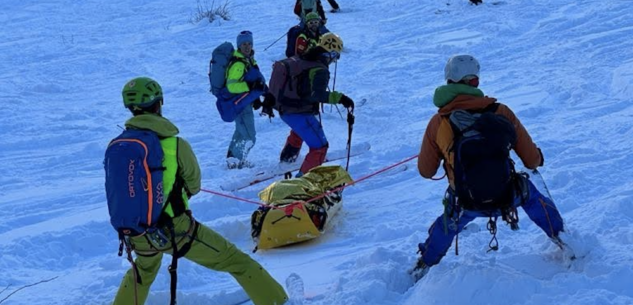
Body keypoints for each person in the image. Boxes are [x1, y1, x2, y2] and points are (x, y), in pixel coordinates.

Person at [113, 77, 288, 305]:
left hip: (136, 233)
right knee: (237, 262)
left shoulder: (119, 144)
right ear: (159, 104)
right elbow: (194, 185)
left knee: (141, 274)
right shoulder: (175, 145)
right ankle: (279, 302)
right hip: (174, 229)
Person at [413, 55, 571, 280]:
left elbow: (426, 171)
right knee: (533, 194)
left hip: (466, 200)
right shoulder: (500, 111)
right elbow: (531, 161)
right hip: (507, 196)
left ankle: (425, 263)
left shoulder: (438, 122)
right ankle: (566, 241)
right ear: (475, 82)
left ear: (449, 82)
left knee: (448, 219)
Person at [265, 33, 355, 177]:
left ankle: (287, 160)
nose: (335, 60)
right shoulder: (320, 69)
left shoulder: (303, 58)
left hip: (285, 109)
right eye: (336, 56)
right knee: (320, 146)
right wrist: (341, 98)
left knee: (299, 131)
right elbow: (317, 95)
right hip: (299, 111)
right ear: (331, 53)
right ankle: (303, 182)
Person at [224, 31, 268, 169]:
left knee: (240, 132)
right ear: (239, 46)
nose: (247, 47)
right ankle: (237, 162)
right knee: (250, 136)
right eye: (244, 44)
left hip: (243, 102)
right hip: (239, 104)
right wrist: (249, 86)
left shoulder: (248, 59)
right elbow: (231, 86)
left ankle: (233, 159)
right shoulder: (239, 64)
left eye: (249, 43)